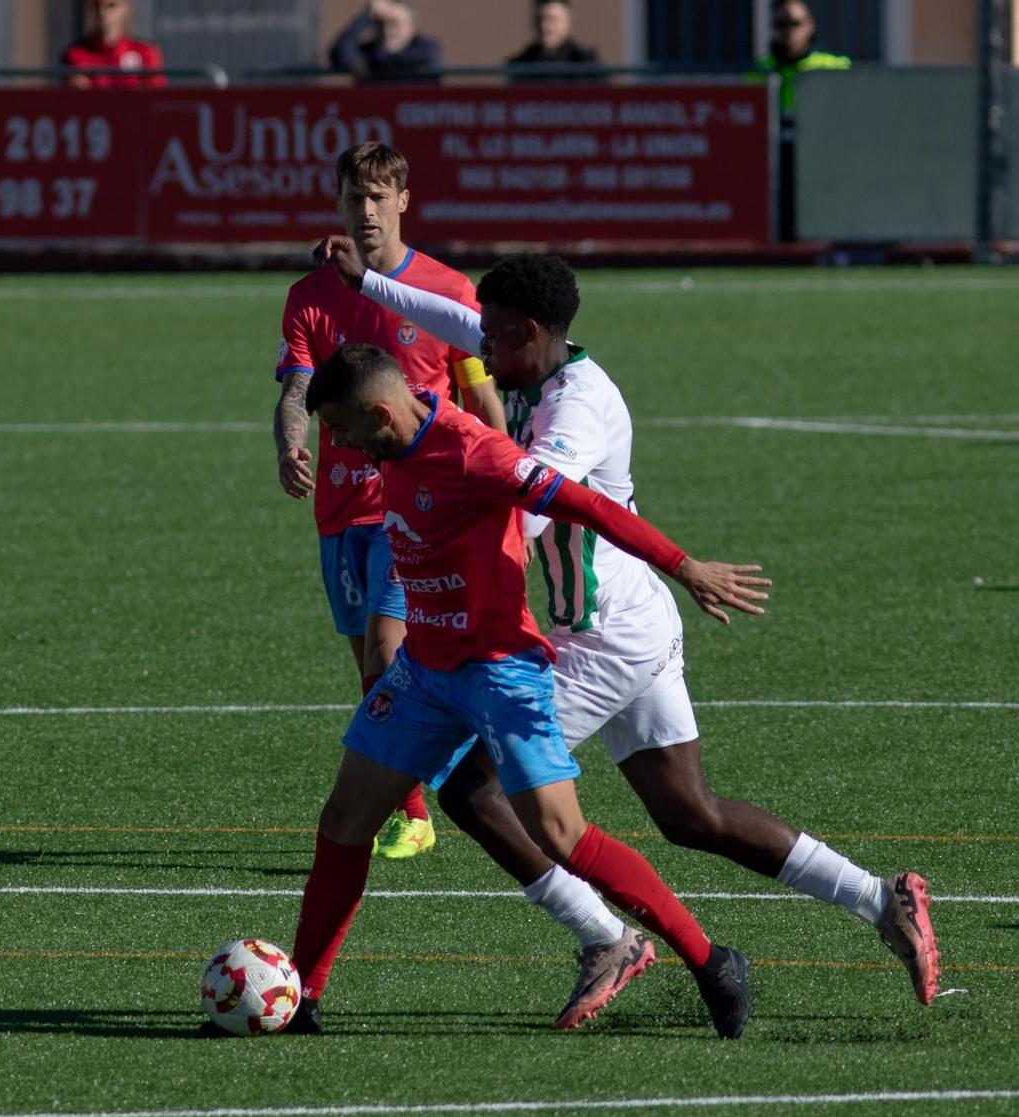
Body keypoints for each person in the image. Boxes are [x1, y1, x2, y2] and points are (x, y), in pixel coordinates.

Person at [323, 245, 943, 1019]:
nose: (476, 351)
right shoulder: (528, 359)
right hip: (632, 619)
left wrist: (450, 470)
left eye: (492, 337)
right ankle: (882, 898)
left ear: (529, 330)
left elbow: (529, 488)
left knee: (474, 789)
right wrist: (370, 284)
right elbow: (449, 317)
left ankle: (604, 936)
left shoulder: (578, 406)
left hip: (595, 639)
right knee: (690, 814)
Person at [284, 341, 772, 1039]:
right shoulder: (389, 448)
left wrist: (684, 565)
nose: (341, 445)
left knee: (562, 833)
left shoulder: (476, 454)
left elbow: (589, 505)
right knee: (344, 820)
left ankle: (711, 959)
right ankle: (302, 996)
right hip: (424, 671)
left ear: (379, 413)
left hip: (500, 673)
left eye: (344, 429)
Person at [276, 143, 505, 864]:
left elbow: (484, 397)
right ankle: (418, 796)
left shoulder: (445, 291)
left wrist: (507, 489)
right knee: (370, 666)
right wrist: (289, 445)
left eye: (378, 197)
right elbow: (295, 388)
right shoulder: (311, 295)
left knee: (388, 650)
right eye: (354, 198)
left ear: (404, 200)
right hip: (340, 511)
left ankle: (420, 809)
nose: (366, 211)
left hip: (419, 507)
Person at [757, 0, 851, 241]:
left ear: (809, 26)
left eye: (794, 23)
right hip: (773, 161)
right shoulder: (760, 71)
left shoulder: (833, 67)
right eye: (781, 23)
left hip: (821, 160)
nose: (788, 31)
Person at [60, 0, 164, 90]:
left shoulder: (146, 53)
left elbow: (155, 98)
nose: (103, 12)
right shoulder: (74, 54)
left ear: (126, 7)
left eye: (111, 5)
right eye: (98, 5)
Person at [328, 1, 441, 83]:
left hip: (414, 112)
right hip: (373, 112)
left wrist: (371, 64)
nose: (387, 30)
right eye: (380, 24)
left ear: (411, 27)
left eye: (395, 24)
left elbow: (397, 60)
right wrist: (366, 15)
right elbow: (339, 52)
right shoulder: (368, 51)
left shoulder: (427, 48)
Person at [505, 0, 601, 80]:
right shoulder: (521, 64)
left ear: (568, 23)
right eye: (540, 19)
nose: (545, 26)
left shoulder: (587, 64)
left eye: (553, 20)